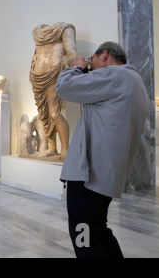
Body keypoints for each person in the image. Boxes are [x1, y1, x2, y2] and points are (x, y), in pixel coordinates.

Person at [55, 41, 148, 258]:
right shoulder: (135, 81)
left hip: (90, 175)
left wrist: (77, 67)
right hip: (106, 173)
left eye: (92, 61)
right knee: (98, 229)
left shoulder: (115, 76)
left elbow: (63, 87)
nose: (90, 66)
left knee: (83, 235)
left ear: (104, 55)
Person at [30, 22, 77, 159]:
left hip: (54, 75)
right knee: (44, 114)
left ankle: (65, 149)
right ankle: (52, 148)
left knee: (55, 113)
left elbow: (72, 53)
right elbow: (36, 56)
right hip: (38, 79)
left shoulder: (64, 29)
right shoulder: (37, 33)